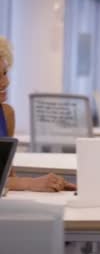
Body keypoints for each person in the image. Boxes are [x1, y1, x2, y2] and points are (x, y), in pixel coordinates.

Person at [0, 36, 75, 193]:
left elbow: (7, 175)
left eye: (5, 73)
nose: (5, 82)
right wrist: (29, 183)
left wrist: (49, 183)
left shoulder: (6, 114)